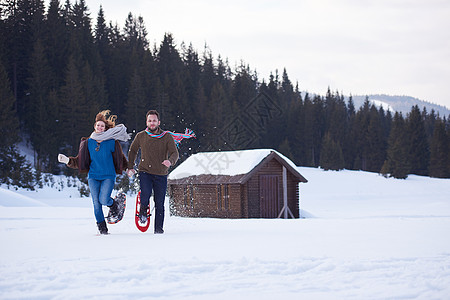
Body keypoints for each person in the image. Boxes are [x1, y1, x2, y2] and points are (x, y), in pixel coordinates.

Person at [58, 110, 130, 235]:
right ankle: (103, 230)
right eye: (98, 125)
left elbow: (121, 159)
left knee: (103, 199)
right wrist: (67, 160)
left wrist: (128, 168)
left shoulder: (112, 141)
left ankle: (114, 205)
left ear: (105, 127)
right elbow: (79, 160)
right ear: (94, 127)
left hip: (108, 176)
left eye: (102, 126)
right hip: (93, 177)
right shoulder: (88, 142)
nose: (100, 127)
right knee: (96, 204)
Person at [127, 110, 179, 234]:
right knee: (145, 193)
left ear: (158, 122)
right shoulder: (141, 136)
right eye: (150, 120)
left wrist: (170, 161)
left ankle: (159, 230)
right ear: (146, 122)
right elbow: (133, 150)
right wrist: (130, 166)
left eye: (154, 120)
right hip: (145, 171)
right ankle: (143, 212)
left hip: (161, 173)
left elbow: (175, 153)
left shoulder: (166, 137)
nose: (152, 123)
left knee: (159, 202)